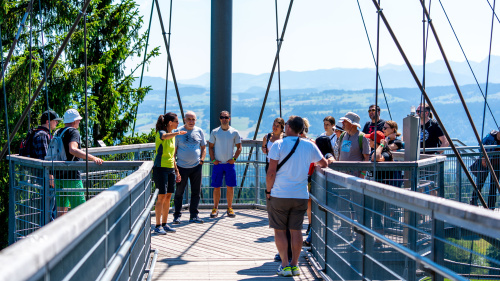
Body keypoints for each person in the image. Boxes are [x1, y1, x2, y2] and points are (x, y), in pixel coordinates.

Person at [266, 116, 327, 277]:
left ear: (288, 127)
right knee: (296, 230)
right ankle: (295, 265)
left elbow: (271, 172)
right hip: (300, 194)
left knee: (279, 230)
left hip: (280, 193)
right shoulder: (309, 145)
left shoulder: (278, 144)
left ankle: (285, 264)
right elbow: (324, 164)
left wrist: (268, 191)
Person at [54, 109, 103, 217]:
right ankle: (83, 233)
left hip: (58, 175)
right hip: (71, 176)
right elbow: (72, 149)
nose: (79, 122)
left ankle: (62, 232)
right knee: (81, 210)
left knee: (61, 212)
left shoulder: (58, 132)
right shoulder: (73, 132)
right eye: (79, 120)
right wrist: (93, 158)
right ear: (75, 120)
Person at [153, 112, 186, 235]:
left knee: (168, 196)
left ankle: (164, 223)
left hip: (170, 168)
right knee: (161, 196)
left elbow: (172, 156)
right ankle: (157, 225)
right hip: (160, 168)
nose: (178, 124)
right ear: (170, 122)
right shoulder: (162, 133)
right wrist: (177, 133)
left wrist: (177, 171)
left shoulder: (172, 137)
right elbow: (164, 136)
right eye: (177, 121)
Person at [173, 111, 206, 224]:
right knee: (179, 192)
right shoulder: (178, 132)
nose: (191, 122)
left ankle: (194, 215)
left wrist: (201, 160)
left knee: (196, 192)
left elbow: (203, 147)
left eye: (193, 119)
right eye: (189, 119)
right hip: (181, 166)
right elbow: (174, 151)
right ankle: (177, 215)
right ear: (184, 119)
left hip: (196, 166)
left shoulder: (199, 131)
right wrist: (175, 167)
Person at [209, 110, 242, 218]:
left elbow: (239, 147)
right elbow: (210, 147)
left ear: (229, 119)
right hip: (218, 164)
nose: (224, 119)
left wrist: (234, 159)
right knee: (216, 187)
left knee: (230, 187)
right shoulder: (214, 132)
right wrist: (213, 160)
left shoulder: (234, 132)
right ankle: (215, 208)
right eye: (222, 117)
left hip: (229, 164)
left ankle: (230, 208)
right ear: (220, 119)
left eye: (226, 117)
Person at [470, 128, 500, 210]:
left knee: (494, 185)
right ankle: (473, 201)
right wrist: (483, 156)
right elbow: (481, 144)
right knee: (481, 181)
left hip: (497, 165)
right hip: (487, 161)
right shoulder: (490, 136)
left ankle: (491, 207)